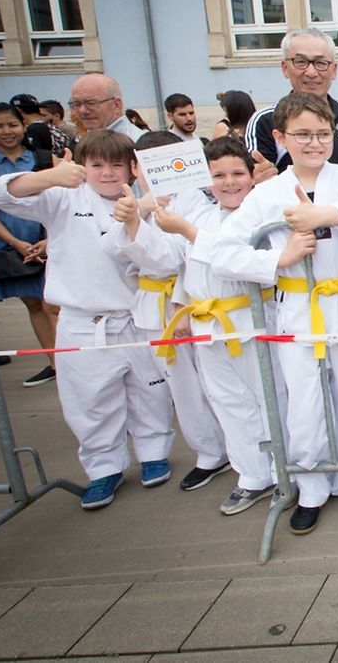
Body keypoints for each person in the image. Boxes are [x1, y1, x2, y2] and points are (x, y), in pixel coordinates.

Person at [211, 91, 338, 536]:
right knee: (306, 402)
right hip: (297, 308)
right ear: (280, 137)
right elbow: (219, 251)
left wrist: (320, 214)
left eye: (322, 133)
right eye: (302, 135)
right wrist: (279, 259)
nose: (314, 143)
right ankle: (311, 487)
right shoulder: (265, 194)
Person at [0, 129, 176, 509]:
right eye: (96, 165)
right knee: (89, 399)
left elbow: (162, 260)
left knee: (150, 391)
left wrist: (137, 217)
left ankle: (154, 451)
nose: (107, 173)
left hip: (134, 316)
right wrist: (50, 177)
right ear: (81, 166)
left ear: (132, 168)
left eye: (116, 165)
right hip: (81, 319)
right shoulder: (62, 198)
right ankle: (103, 467)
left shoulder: (145, 203)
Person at [150, 137, 285, 515]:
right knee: (227, 401)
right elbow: (187, 266)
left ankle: (283, 470)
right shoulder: (202, 216)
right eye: (219, 175)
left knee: (268, 396)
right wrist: (182, 304)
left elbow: (239, 260)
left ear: (252, 175)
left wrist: (188, 233)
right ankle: (251, 475)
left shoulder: (262, 217)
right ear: (206, 180)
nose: (229, 182)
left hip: (250, 317)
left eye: (237, 173)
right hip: (205, 322)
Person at [106, 130, 229, 494]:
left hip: (197, 299)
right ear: (135, 168)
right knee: (183, 387)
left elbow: (173, 256)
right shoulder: (133, 202)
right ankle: (209, 453)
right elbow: (111, 250)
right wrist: (135, 216)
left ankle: (247, 449)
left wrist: (140, 223)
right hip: (153, 304)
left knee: (221, 383)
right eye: (149, 166)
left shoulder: (198, 203)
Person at [0, 102, 59, 387]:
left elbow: (61, 198)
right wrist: (15, 242)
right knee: (32, 303)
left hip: (50, 239)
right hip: (10, 243)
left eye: (12, 124)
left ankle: (70, 360)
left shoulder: (42, 158)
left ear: (23, 126)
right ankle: (54, 363)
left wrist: (49, 239)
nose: (7, 131)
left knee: (54, 303)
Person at [245, 28, 338, 173]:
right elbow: (258, 176)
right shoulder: (265, 121)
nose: (311, 72)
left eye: (320, 63)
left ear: (334, 70)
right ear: (285, 68)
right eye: (301, 62)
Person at [67, 74, 143, 141]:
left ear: (116, 105)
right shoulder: (87, 139)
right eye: (76, 104)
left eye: (91, 103)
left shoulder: (137, 145)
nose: (82, 110)